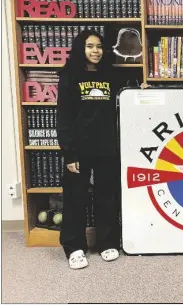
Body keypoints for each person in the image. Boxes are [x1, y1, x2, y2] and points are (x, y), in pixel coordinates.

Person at [57, 29, 121, 270]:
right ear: (80, 49)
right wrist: (69, 153)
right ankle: (74, 247)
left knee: (107, 196)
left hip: (107, 147)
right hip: (79, 148)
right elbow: (63, 118)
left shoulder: (111, 75)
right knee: (75, 198)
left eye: (99, 46)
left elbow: (123, 100)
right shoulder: (69, 77)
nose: (96, 51)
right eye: (90, 46)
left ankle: (106, 243)